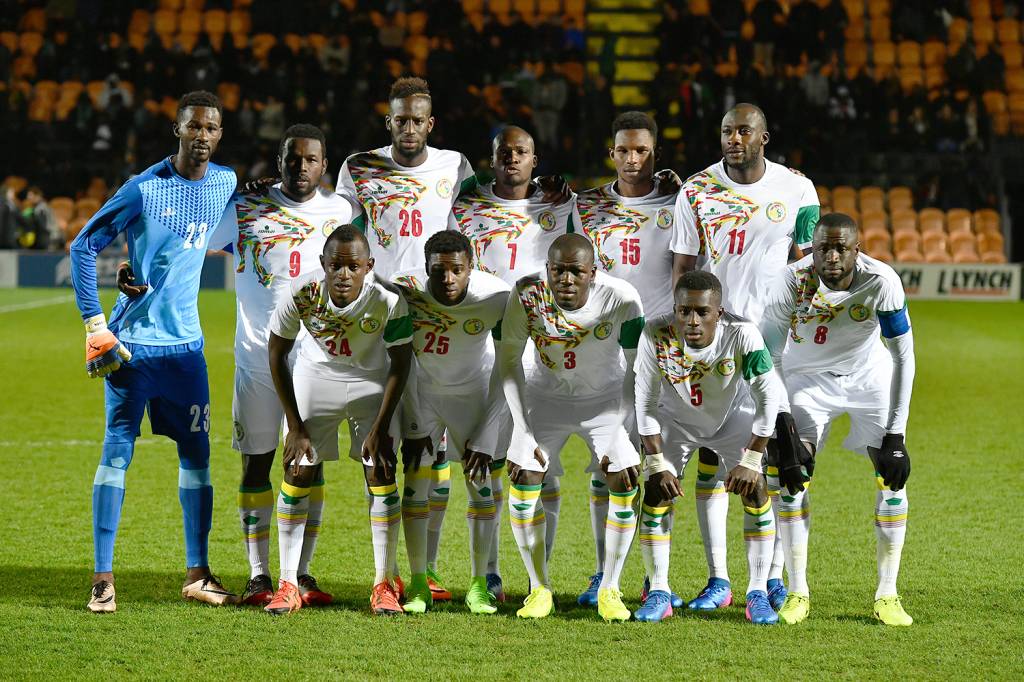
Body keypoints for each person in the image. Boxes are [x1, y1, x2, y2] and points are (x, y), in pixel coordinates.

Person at [70, 91, 238, 613]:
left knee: (199, 459)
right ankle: (102, 578)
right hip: (134, 350)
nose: (203, 137)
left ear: (218, 134)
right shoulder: (144, 189)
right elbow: (82, 246)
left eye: (211, 128)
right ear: (177, 129)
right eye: (194, 127)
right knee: (117, 452)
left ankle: (198, 574)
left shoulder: (225, 183)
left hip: (187, 351)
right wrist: (98, 326)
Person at [673, 103, 820, 612]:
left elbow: (806, 265)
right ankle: (719, 578)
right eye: (726, 131)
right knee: (712, 461)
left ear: (764, 137)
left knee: (781, 460)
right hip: (718, 343)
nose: (734, 138)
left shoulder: (798, 189)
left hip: (778, 344)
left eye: (743, 131)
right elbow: (685, 269)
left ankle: (774, 576)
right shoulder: (695, 189)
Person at [336, 77, 476, 601]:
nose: (409, 127)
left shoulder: (455, 166)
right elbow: (337, 227)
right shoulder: (359, 168)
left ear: (430, 123)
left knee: (431, 449)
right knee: (380, 448)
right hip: (375, 323)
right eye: (401, 119)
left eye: (418, 119)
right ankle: (383, 573)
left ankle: (426, 569)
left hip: (434, 322)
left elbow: (490, 204)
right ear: (388, 120)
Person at [221, 124, 363, 607]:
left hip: (316, 365)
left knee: (310, 464)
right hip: (256, 361)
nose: (301, 166)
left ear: (325, 166)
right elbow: (189, 243)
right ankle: (259, 575)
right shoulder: (244, 208)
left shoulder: (342, 211)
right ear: (279, 161)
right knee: (257, 463)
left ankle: (300, 573)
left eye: (311, 160)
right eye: (293, 158)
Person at [760, 213, 915, 626]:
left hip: (870, 377)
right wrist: (780, 419)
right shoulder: (790, 282)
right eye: (823, 247)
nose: (831, 256)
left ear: (856, 250)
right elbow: (768, 356)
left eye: (840, 248)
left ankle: (888, 593)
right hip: (806, 378)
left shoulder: (881, 281)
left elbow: (902, 356)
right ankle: (797, 592)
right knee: (791, 472)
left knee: (892, 474)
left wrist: (896, 434)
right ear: (812, 249)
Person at [449, 125, 578, 600]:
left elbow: (582, 263)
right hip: (479, 349)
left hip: (541, 352)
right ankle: (487, 577)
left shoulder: (560, 205)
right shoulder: (465, 205)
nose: (512, 159)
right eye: (504, 152)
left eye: (521, 152)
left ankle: (536, 579)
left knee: (542, 468)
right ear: (491, 157)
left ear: (534, 159)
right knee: (481, 468)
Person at [266, 226, 414, 615]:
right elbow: (276, 355)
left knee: (381, 471)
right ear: (323, 265)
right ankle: (287, 582)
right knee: (297, 471)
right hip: (317, 377)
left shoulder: (388, 300)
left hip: (370, 381)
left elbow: (401, 362)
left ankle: (383, 584)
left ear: (369, 266)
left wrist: (382, 428)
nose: (344, 274)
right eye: (336, 266)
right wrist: (294, 427)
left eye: (353, 266)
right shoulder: (301, 294)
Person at [498, 233, 644, 622]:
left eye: (575, 271)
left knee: (624, 477)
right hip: (545, 397)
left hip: (605, 400)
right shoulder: (525, 292)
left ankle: (610, 588)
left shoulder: (623, 298)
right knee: (525, 475)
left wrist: (621, 429)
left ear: (593, 273)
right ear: (546, 269)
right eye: (557, 270)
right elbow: (509, 362)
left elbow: (636, 368)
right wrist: (521, 430)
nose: (565, 279)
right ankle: (538, 588)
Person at [575, 111, 689, 608]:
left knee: (658, 464)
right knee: (607, 465)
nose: (632, 159)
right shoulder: (588, 205)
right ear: (612, 153)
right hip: (603, 353)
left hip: (659, 352)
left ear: (655, 155)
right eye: (623, 150)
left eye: (641, 151)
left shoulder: (678, 200)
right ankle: (606, 573)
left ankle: (655, 581)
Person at [633, 271, 784, 624]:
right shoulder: (655, 334)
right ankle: (658, 591)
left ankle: (757, 592)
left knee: (756, 490)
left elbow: (769, 398)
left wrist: (751, 458)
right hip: (676, 421)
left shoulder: (743, 334)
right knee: (655, 491)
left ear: (720, 312)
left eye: (702, 312)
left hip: (732, 418)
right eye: (684, 311)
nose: (692, 320)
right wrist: (656, 463)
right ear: (675, 309)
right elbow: (645, 402)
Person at [392, 231, 511, 614]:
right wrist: (412, 420)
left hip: (473, 396)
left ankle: (478, 585)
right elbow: (400, 357)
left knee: (480, 487)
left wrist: (487, 430)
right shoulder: (404, 290)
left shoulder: (496, 297)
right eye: (438, 271)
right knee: (415, 484)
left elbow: (507, 367)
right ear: (425, 268)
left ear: (470, 268)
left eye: (456, 271)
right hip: (423, 394)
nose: (447, 280)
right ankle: (417, 583)